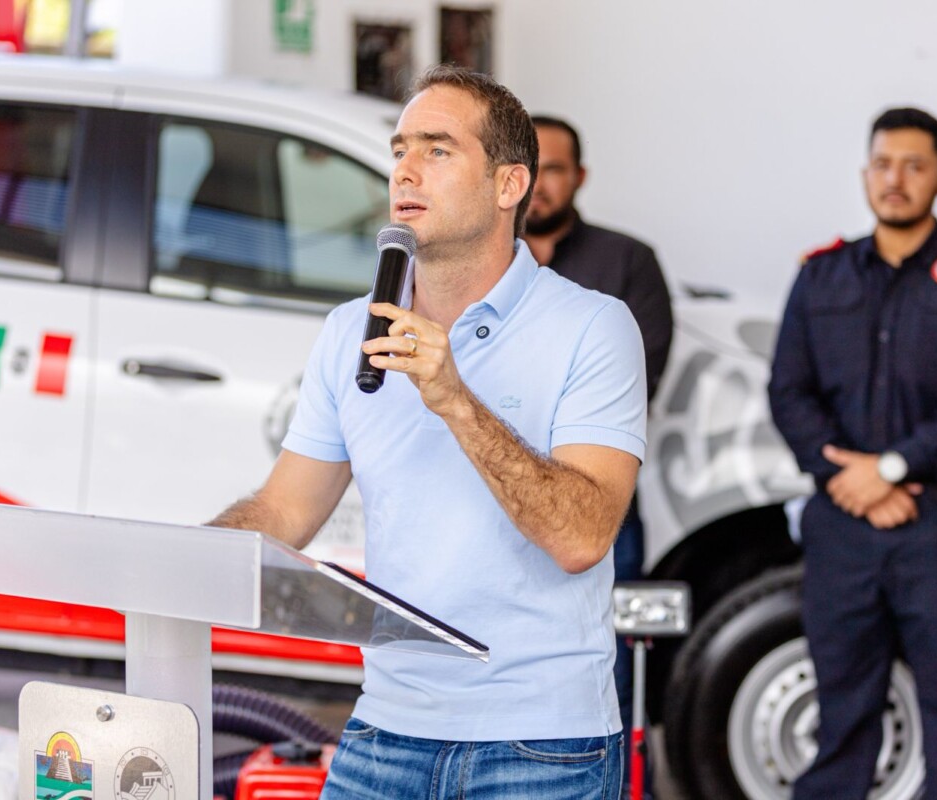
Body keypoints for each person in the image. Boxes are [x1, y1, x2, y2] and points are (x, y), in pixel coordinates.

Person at [209, 65, 647, 799]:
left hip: (541, 743)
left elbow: (581, 536)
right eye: (399, 149)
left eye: (437, 150)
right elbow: (285, 510)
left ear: (509, 185)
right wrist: (187, 555)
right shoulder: (349, 330)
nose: (405, 170)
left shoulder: (592, 326)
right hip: (386, 729)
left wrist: (454, 398)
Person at [768, 107, 937, 799]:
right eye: (883, 164)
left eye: (914, 166)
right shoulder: (820, 276)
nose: (896, 179)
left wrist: (888, 469)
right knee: (841, 709)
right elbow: (788, 391)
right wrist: (844, 477)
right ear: (864, 174)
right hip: (841, 525)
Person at [523, 115, 673, 797]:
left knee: (604, 661)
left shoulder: (626, 261)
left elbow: (635, 381)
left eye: (555, 169)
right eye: (531, 168)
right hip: (493, 499)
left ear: (579, 177)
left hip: (598, 500)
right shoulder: (480, 263)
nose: (540, 184)